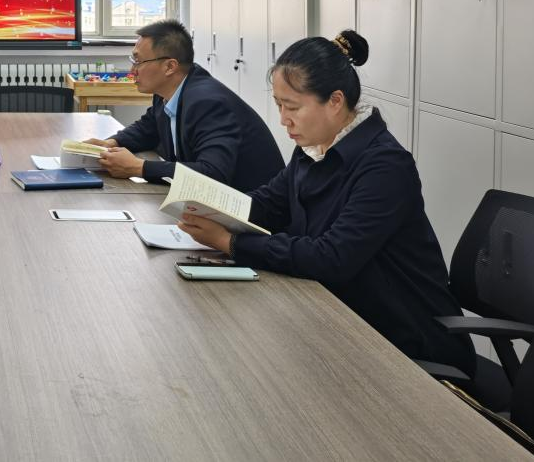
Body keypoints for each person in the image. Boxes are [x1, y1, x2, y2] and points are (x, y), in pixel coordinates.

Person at [179, 31, 475, 376]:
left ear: (335, 101)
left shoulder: (385, 166)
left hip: (403, 340)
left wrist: (230, 242)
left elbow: (332, 258)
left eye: (292, 107)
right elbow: (269, 205)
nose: (283, 119)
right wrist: (210, 208)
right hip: (334, 314)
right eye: (279, 105)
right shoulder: (312, 148)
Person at [85, 19, 283, 191]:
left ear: (170, 67)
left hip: (251, 210)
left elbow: (213, 173)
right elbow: (148, 128)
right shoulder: (168, 91)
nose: (132, 70)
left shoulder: (207, 103)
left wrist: (139, 167)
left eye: (138, 61)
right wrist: (112, 143)